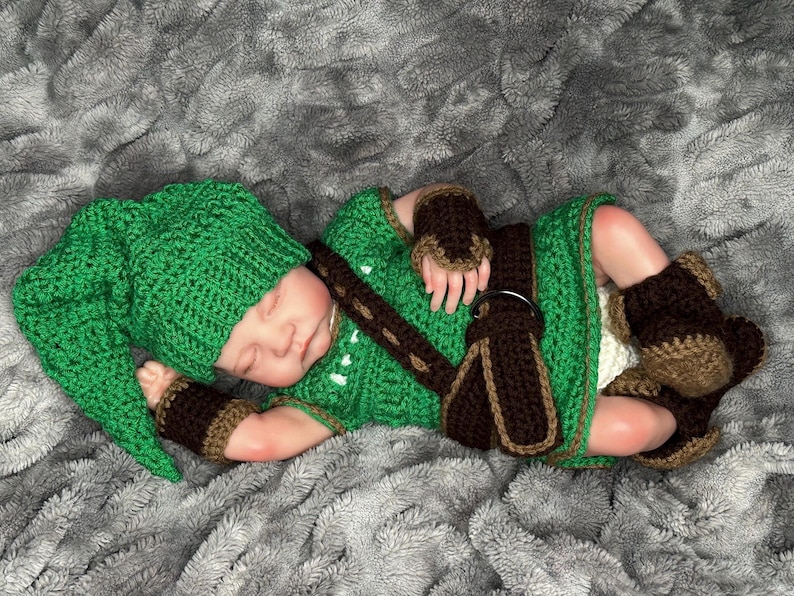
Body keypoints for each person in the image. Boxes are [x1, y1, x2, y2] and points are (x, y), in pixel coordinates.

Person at [13, 179, 766, 482]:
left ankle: (683, 333)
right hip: (531, 392)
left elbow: (434, 198)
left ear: (286, 256)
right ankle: (674, 408)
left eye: (273, 302)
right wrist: (176, 401)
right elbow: (263, 441)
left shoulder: (349, 245)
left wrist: (447, 235)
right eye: (246, 353)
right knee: (627, 430)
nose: (280, 341)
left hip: (558, 291)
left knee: (609, 225)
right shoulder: (321, 398)